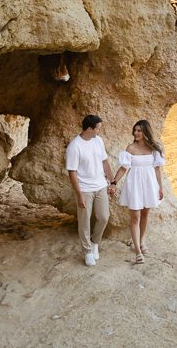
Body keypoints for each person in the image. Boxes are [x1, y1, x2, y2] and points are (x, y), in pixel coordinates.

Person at [110, 119, 165, 264]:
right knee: (135, 217)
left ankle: (141, 241)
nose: (136, 133)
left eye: (139, 130)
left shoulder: (154, 149)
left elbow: (157, 170)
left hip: (149, 184)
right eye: (135, 130)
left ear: (146, 131)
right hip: (134, 185)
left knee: (145, 214)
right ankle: (138, 252)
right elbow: (123, 168)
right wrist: (114, 182)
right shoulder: (130, 148)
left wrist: (160, 187)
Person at [65, 114, 116, 266]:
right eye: (98, 128)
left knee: (104, 217)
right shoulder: (75, 146)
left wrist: (112, 182)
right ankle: (87, 251)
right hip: (85, 189)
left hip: (100, 185)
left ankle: (95, 243)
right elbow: (72, 172)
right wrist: (79, 194)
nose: (100, 131)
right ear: (89, 128)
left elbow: (104, 162)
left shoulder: (98, 141)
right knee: (84, 222)